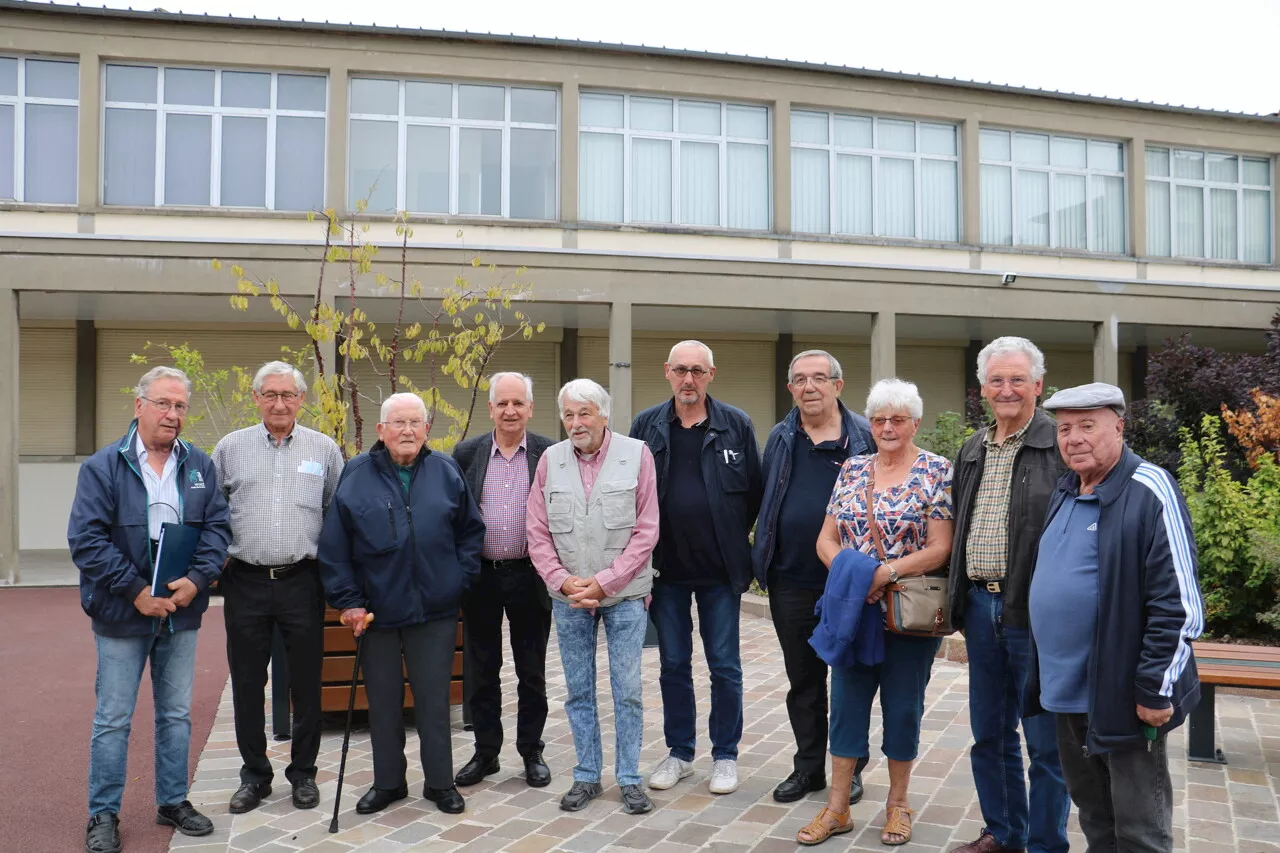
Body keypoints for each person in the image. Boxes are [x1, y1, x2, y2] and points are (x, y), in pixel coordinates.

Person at [1029, 383, 1203, 853]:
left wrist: (1154, 687)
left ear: (1119, 427)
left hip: (1124, 693)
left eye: (1088, 425)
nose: (1074, 438)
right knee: (1095, 815)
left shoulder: (1149, 488)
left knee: (1139, 827)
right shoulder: (1066, 490)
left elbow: (1180, 605)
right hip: (1066, 691)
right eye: (1065, 428)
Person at [70, 366, 230, 853]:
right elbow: (86, 539)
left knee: (176, 714)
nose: (173, 414)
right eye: (163, 403)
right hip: (123, 612)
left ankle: (173, 801)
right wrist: (134, 588)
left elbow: (218, 529)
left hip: (180, 610)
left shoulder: (199, 465)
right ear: (139, 406)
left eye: (180, 406)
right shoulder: (103, 467)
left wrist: (198, 579)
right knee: (114, 717)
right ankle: (103, 813)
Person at [797, 378, 953, 847]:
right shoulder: (852, 469)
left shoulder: (936, 471)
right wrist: (852, 572)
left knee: (903, 710)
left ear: (915, 423)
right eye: (880, 419)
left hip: (907, 615)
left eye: (898, 419)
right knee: (845, 709)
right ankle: (838, 808)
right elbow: (826, 539)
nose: (887, 427)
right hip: (853, 612)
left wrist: (881, 574)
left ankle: (898, 806)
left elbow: (940, 547)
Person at [318, 392, 486, 816]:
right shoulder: (356, 474)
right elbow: (335, 548)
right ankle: (388, 782)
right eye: (398, 423)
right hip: (377, 612)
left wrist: (458, 581)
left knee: (433, 701)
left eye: (415, 422)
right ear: (381, 431)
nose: (407, 431)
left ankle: (440, 783)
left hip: (435, 610)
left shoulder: (446, 470)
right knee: (384, 702)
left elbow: (470, 532)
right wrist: (349, 602)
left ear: (427, 429)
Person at [947, 338, 1069, 853]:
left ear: (1039, 386)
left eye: (1018, 379)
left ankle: (1044, 844)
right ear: (982, 390)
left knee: (1045, 742)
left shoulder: (1058, 446)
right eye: (996, 380)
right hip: (980, 606)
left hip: (1034, 613)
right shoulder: (972, 448)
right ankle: (1003, 833)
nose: (1007, 389)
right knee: (990, 733)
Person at [630, 340, 763, 796]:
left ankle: (725, 755)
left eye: (698, 371)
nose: (689, 379)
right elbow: (633, 493)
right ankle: (680, 753)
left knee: (724, 665)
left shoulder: (736, 425)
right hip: (665, 570)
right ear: (667, 371)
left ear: (711, 374)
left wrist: (725, 534)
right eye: (681, 370)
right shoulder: (646, 426)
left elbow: (754, 495)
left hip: (719, 572)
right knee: (672, 664)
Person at [212, 361, 344, 814]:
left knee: (306, 683)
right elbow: (214, 511)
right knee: (247, 684)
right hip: (245, 580)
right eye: (270, 394)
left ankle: (303, 774)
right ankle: (255, 776)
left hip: (302, 581)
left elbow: (336, 516)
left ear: (302, 399)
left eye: (288, 395)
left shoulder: (324, 450)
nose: (280, 403)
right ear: (256, 398)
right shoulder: (230, 448)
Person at [526, 379, 659, 816]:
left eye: (585, 413)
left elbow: (647, 530)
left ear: (604, 415)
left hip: (623, 595)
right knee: (579, 690)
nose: (576, 422)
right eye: (569, 414)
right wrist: (562, 582)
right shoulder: (550, 460)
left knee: (628, 689)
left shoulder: (637, 454)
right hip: (569, 598)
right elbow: (537, 530)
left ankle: (629, 778)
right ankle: (586, 774)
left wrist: (606, 582)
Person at [750, 350, 874, 805]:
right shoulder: (781, 436)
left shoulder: (863, 436)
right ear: (791, 389)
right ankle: (808, 769)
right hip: (791, 580)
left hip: (848, 583)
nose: (810, 387)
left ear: (838, 385)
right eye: (800, 380)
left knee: (849, 679)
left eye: (819, 378)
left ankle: (850, 768)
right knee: (803, 681)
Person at [452, 372, 556, 789]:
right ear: (491, 408)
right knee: (481, 669)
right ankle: (486, 752)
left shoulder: (550, 453)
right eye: (502, 403)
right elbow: (456, 514)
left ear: (530, 408)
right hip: (481, 577)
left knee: (532, 670)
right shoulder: (466, 453)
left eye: (518, 403)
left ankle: (531, 751)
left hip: (531, 576)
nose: (510, 411)